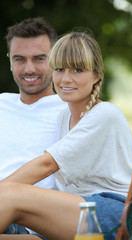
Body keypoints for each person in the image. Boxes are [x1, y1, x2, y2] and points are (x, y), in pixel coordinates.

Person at [0, 31, 132, 240]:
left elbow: (46, 165)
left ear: (96, 76)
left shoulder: (105, 114)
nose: (66, 79)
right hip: (77, 214)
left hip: (114, 216)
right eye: (59, 69)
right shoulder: (64, 116)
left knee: (11, 194)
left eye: (77, 70)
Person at [0, 17, 66, 239]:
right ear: (9, 60)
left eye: (39, 59)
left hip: (32, 223)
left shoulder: (70, 111)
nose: (29, 69)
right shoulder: (2, 104)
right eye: (20, 59)